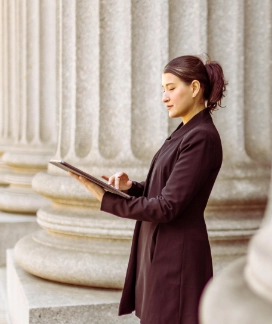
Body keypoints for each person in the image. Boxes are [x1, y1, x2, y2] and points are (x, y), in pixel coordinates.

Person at [69, 55, 227, 324]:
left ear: (195, 88)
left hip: (177, 259)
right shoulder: (186, 131)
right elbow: (165, 190)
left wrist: (106, 199)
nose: (165, 97)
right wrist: (130, 188)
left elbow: (167, 207)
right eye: (162, 90)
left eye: (171, 87)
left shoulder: (201, 137)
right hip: (163, 252)